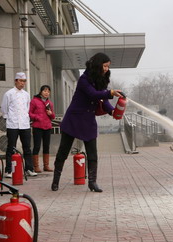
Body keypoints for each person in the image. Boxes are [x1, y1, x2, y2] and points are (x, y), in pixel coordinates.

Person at [51, 52, 123, 192]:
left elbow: (103, 100)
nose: (107, 69)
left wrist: (112, 111)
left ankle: (92, 182)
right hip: (74, 118)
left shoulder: (100, 80)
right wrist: (111, 92)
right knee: (63, 152)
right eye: (105, 66)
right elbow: (93, 94)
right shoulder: (84, 79)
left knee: (92, 153)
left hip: (88, 120)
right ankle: (55, 181)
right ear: (98, 65)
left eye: (108, 67)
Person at [1, 72, 38, 178]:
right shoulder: (9, 93)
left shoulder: (26, 94)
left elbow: (27, 108)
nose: (22, 83)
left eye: (24, 81)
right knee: (11, 147)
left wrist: (25, 118)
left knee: (27, 147)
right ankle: (8, 170)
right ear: (16, 81)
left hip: (24, 124)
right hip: (12, 124)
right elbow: (4, 108)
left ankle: (29, 169)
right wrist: (9, 118)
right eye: (21, 81)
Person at [29, 85, 56, 173]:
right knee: (37, 146)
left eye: (48, 91)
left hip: (47, 127)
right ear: (41, 92)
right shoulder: (34, 101)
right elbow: (29, 113)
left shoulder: (50, 103)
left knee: (46, 146)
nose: (46, 93)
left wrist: (50, 113)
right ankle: (36, 166)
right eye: (45, 91)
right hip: (37, 126)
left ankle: (46, 166)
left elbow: (53, 116)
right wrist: (37, 117)